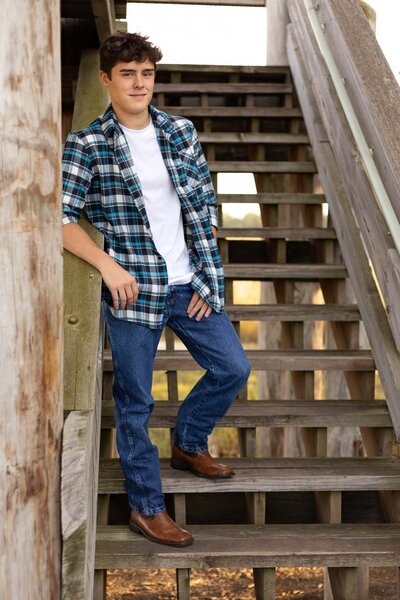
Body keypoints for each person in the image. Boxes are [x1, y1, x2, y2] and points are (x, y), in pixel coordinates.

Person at [62, 32, 251, 547]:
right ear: (106, 79)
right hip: (133, 291)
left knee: (234, 367)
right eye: (127, 74)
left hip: (189, 283)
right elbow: (58, 219)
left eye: (145, 73)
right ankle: (146, 508)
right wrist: (107, 266)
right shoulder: (87, 144)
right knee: (135, 401)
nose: (138, 83)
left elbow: (203, 201)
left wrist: (206, 274)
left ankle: (189, 443)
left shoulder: (180, 131)